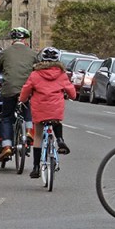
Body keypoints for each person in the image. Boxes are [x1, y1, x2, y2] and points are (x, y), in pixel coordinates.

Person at [19, 47, 75, 178]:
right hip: (56, 109)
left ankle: (36, 167)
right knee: (56, 122)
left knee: (38, 135)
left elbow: (26, 90)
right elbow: (72, 94)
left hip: (40, 109)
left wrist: (21, 100)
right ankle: (60, 140)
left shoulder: (35, 74)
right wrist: (68, 94)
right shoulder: (62, 74)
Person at [0, 27, 38, 162]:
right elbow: (39, 71)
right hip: (27, 88)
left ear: (12, 41)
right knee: (28, 105)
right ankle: (29, 131)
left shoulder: (4, 53)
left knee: (6, 117)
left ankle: (7, 146)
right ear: (25, 40)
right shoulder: (33, 54)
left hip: (9, 89)